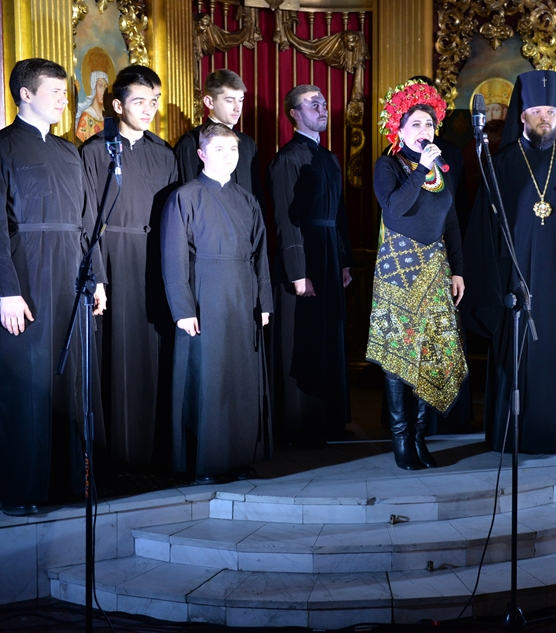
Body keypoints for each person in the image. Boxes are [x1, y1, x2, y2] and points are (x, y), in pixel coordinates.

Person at [0, 58, 107, 515]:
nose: (65, 99)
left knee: (70, 381)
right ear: (25, 94)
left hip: (71, 278)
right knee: (25, 383)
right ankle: (19, 488)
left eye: (66, 92)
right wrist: (4, 291)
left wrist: (97, 279)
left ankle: (67, 481)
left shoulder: (71, 152)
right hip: (24, 279)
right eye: (56, 92)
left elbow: (88, 223)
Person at [463, 70, 556, 455]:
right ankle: (513, 435)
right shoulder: (503, 162)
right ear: (522, 115)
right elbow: (483, 226)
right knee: (517, 355)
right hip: (516, 280)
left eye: (551, 112)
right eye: (538, 111)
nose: (545, 118)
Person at [161, 123, 274, 483]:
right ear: (202, 154)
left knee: (240, 379)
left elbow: (261, 255)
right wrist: (182, 309)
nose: (228, 157)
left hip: (243, 296)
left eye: (233, 150)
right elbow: (173, 257)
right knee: (207, 378)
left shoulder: (247, 200)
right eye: (219, 150)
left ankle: (239, 456)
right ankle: (206, 464)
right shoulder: (185, 197)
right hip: (204, 295)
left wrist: (265, 302)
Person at [80, 65, 178, 467]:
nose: (149, 109)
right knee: (117, 352)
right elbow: (87, 218)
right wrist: (98, 277)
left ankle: (156, 449)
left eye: (154, 101)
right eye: (139, 101)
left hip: (156, 260)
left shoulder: (165, 152)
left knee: (156, 351)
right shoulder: (94, 151)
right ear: (118, 105)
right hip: (114, 257)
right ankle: (117, 453)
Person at [367, 79, 467, 470]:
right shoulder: (388, 165)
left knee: (432, 352)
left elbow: (451, 222)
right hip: (399, 270)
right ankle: (401, 439)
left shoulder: (443, 169)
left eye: (429, 124)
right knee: (399, 354)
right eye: (416, 125)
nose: (424, 131)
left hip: (436, 267)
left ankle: (422, 436)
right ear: (400, 129)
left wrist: (458, 270)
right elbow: (395, 207)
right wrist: (420, 169)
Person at [267, 84, 353, 447]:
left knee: (329, 335)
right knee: (304, 337)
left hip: (331, 254)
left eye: (323, 102)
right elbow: (286, 220)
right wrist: (298, 271)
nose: (322, 108)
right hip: (305, 256)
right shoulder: (287, 158)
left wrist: (345, 261)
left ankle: (330, 418)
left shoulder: (330, 158)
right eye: (313, 104)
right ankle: (300, 424)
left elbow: (340, 213)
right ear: (294, 114)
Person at [173, 69, 260, 197]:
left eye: (240, 100)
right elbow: (188, 197)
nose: (237, 108)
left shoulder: (248, 144)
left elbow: (256, 195)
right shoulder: (191, 143)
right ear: (209, 102)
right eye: (230, 100)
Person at [75, 70, 108, 143]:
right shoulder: (86, 116)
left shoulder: (106, 117)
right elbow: (80, 144)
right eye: (100, 86)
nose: (103, 91)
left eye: (105, 87)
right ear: (94, 88)